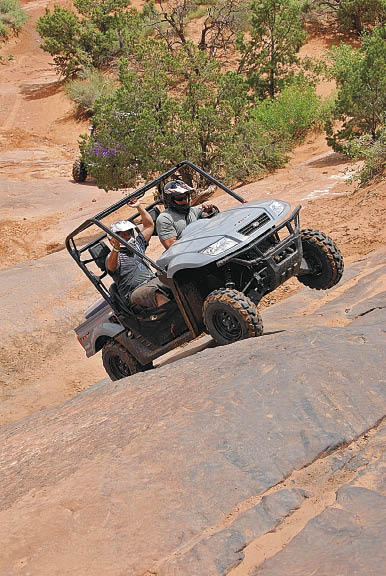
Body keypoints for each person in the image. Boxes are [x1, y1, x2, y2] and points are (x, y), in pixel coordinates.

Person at [106, 199, 169, 310]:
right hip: (134, 292)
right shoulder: (113, 256)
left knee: (174, 279)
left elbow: (149, 225)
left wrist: (139, 207)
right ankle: (175, 320)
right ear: (112, 240)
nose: (127, 237)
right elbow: (111, 267)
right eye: (122, 236)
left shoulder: (137, 246)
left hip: (152, 280)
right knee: (155, 293)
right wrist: (115, 248)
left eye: (128, 234)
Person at [156, 179, 217, 249]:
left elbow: (210, 220)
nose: (184, 200)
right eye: (179, 198)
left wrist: (209, 210)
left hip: (205, 247)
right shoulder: (165, 218)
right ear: (169, 200)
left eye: (186, 196)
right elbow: (171, 246)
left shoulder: (192, 210)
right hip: (185, 253)